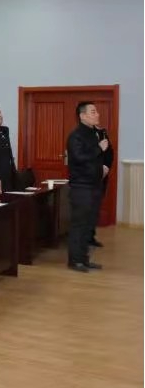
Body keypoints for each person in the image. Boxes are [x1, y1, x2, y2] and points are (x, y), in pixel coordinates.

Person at [66, 102, 107, 273]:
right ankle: (75, 261)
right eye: (93, 111)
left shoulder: (93, 133)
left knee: (89, 224)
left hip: (94, 185)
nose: (97, 114)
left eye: (96, 111)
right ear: (82, 116)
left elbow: (93, 158)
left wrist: (102, 168)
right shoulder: (76, 135)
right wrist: (99, 148)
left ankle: (84, 259)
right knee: (79, 225)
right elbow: (78, 157)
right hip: (81, 186)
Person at [91, 123, 114, 248]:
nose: (96, 116)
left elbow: (110, 152)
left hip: (101, 177)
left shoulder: (103, 133)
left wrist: (106, 167)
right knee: (86, 209)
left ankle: (91, 237)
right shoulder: (82, 135)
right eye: (93, 113)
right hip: (88, 177)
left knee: (95, 207)